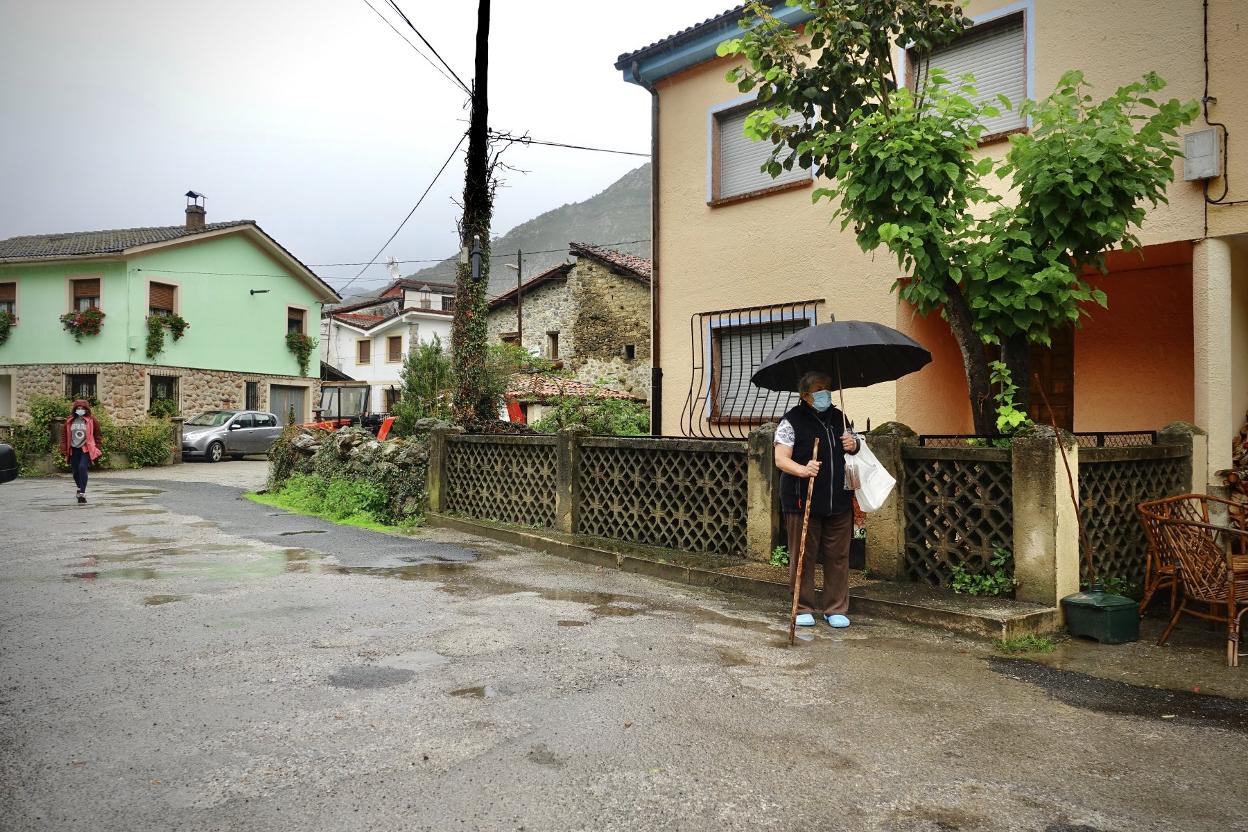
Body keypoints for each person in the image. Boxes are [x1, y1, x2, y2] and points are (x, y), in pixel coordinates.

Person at [774, 371, 861, 629]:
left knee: (838, 556)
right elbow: (781, 458)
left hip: (839, 500)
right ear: (805, 395)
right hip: (803, 500)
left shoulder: (839, 418)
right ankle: (802, 606)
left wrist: (853, 443)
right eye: (820, 388)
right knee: (804, 554)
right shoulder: (791, 421)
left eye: (828, 387)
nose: (826, 392)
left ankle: (836, 608)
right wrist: (803, 470)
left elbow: (855, 447)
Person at [60, 399, 103, 504]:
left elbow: (97, 435)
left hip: (85, 449)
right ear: (74, 409)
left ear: (86, 409)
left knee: (82, 468)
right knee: (75, 473)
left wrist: (97, 447)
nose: (80, 410)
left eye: (82, 408)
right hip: (73, 449)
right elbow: (64, 436)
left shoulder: (91, 420)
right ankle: (79, 488)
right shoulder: (69, 421)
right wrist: (64, 449)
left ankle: (82, 493)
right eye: (78, 408)